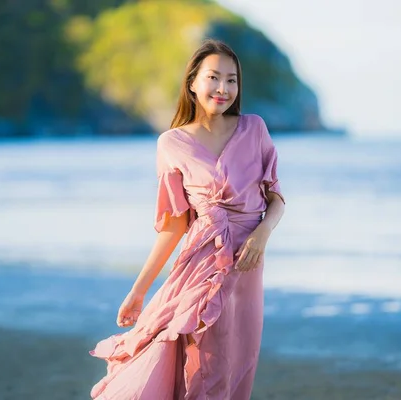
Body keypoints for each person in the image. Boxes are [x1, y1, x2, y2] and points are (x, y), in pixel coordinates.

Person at [89, 38, 285, 400]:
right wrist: (139, 290)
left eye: (232, 80)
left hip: (247, 267)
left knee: (239, 365)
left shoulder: (254, 129)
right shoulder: (172, 143)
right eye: (214, 77)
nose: (223, 88)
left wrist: (262, 235)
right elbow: (174, 226)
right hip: (200, 265)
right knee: (204, 366)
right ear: (193, 82)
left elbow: (276, 199)